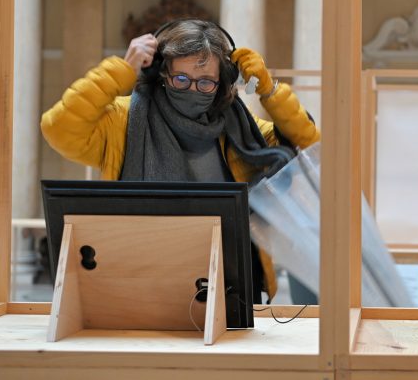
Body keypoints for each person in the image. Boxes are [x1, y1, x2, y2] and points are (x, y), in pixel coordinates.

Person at [41, 18, 320, 303]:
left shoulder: (242, 132)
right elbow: (59, 129)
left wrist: (270, 90)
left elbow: (307, 144)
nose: (192, 90)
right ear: (162, 73)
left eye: (205, 82)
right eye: (181, 79)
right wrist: (120, 71)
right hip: (138, 285)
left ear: (221, 82)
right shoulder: (123, 121)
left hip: (229, 288)